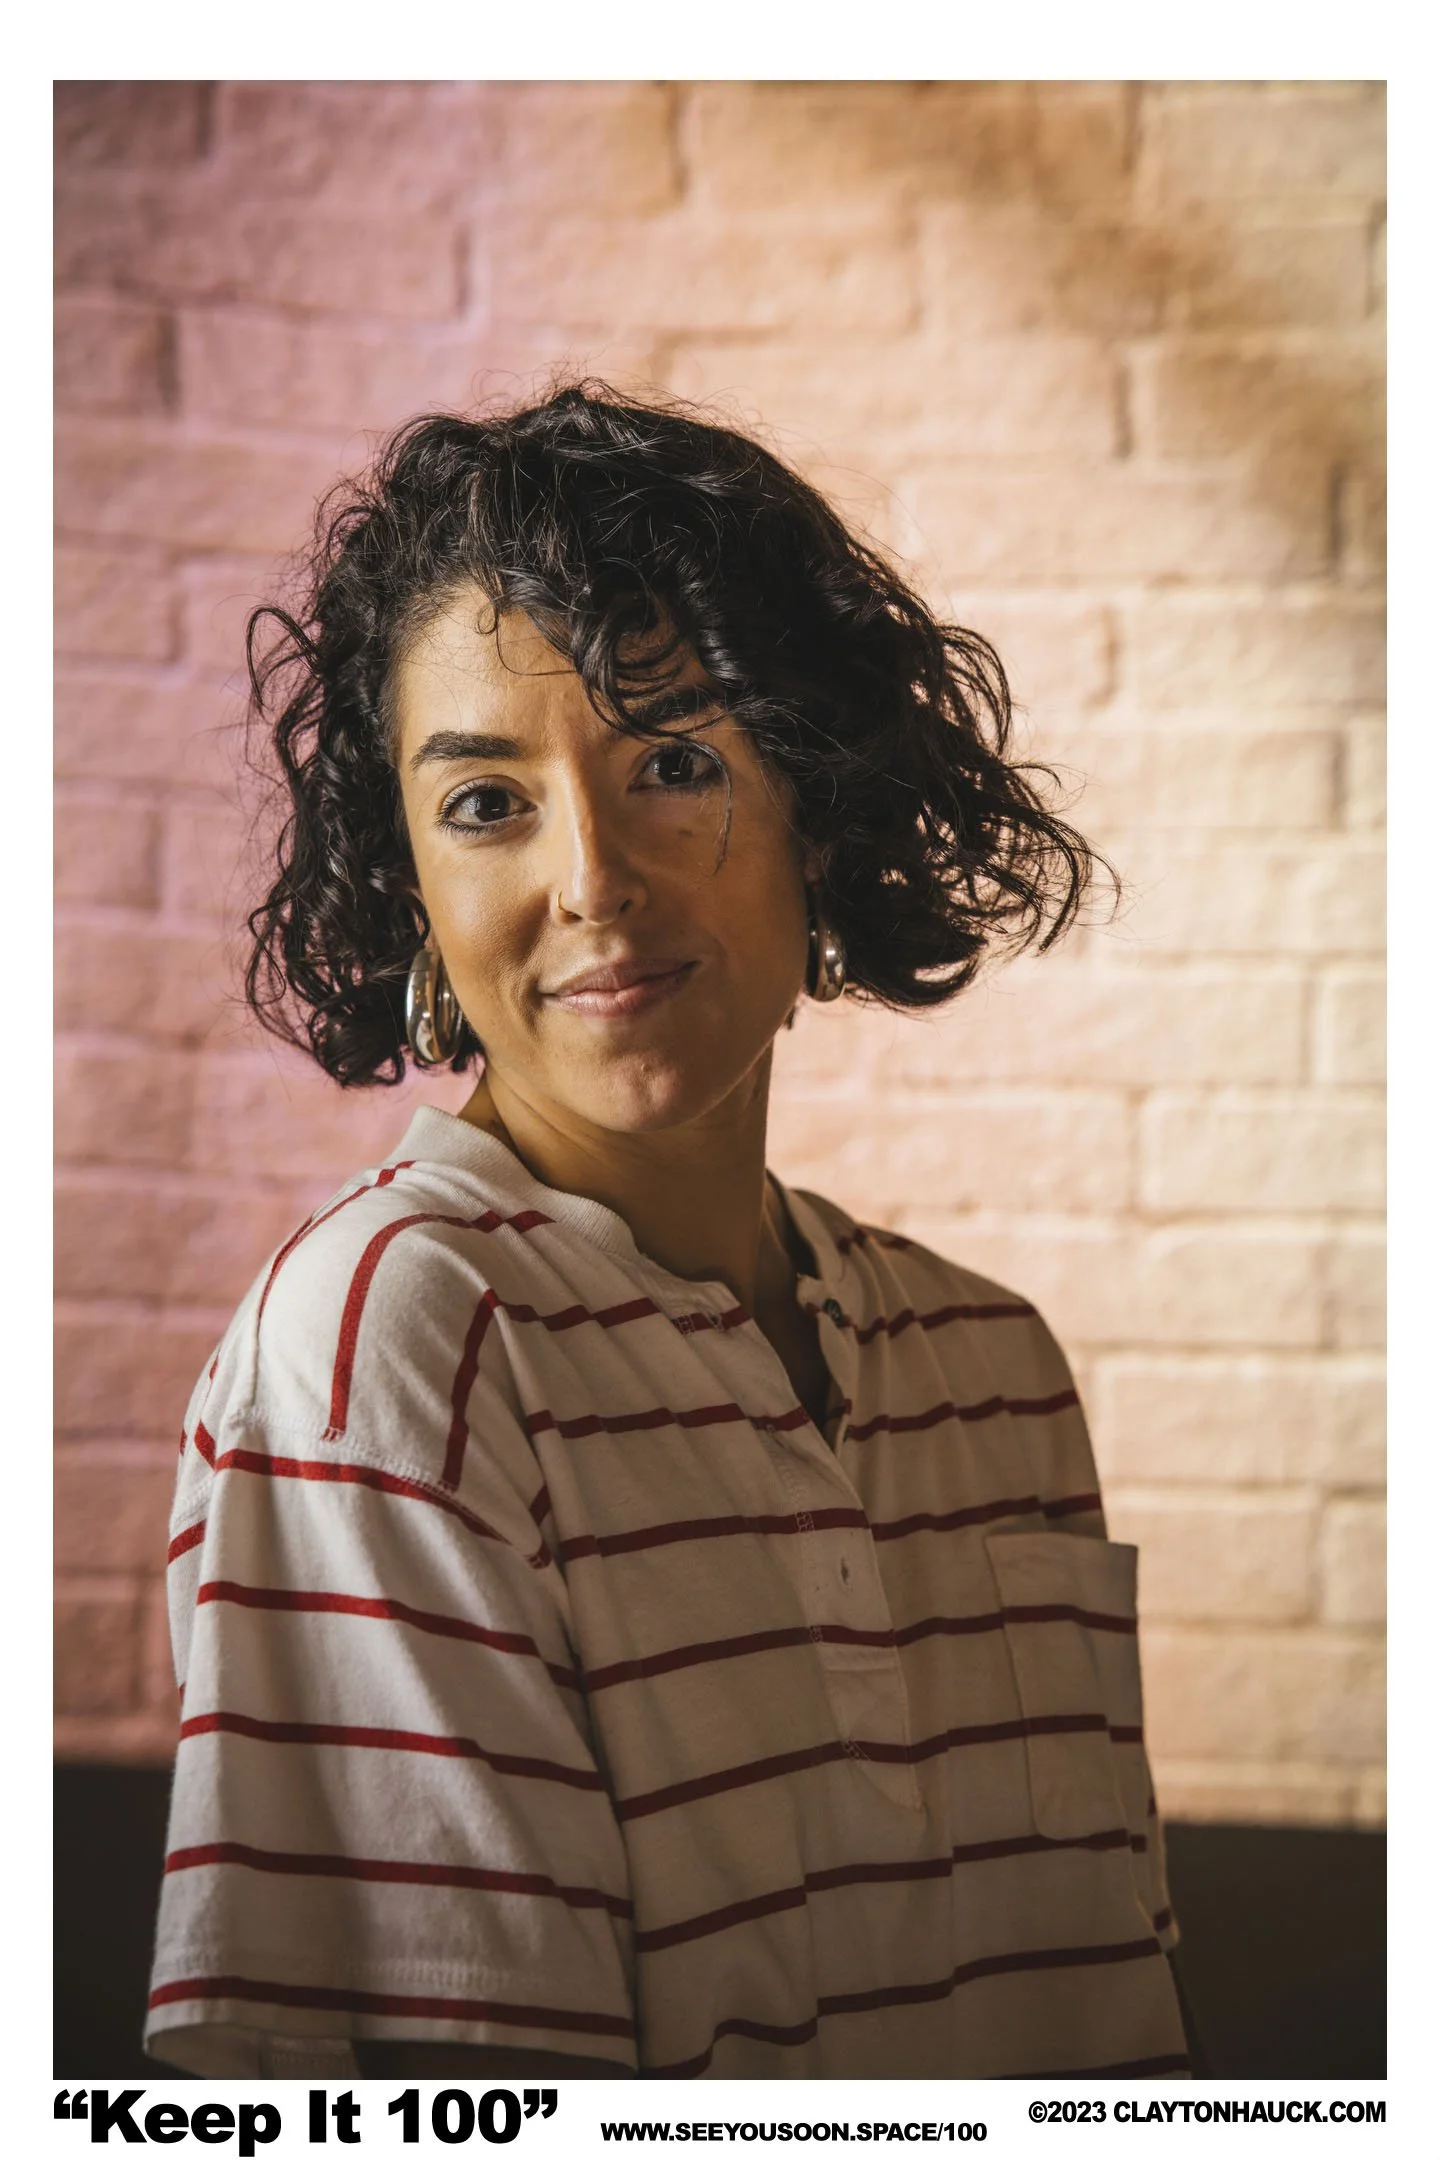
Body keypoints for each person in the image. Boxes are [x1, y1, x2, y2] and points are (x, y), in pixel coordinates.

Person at [144, 383, 1191, 2082]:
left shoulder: (992, 1367)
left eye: (677, 766)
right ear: (408, 878)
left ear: (816, 808)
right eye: (487, 803)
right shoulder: (391, 1351)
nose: (594, 881)